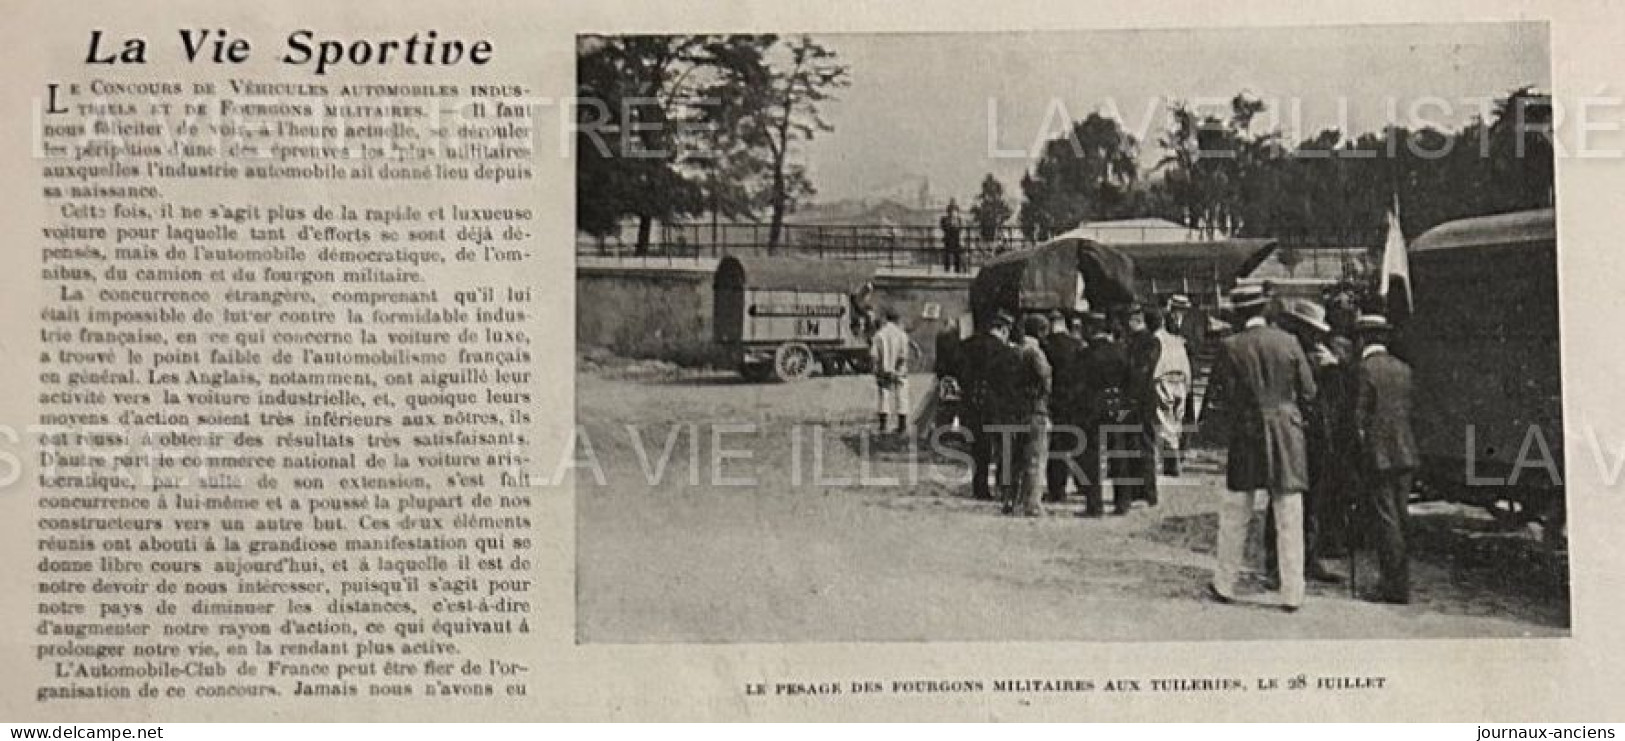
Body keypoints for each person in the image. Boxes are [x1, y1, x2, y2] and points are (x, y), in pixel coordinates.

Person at [1206, 284, 1317, 612]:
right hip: (1286, 433)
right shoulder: (1290, 342)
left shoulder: (1230, 346)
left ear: (1238, 314)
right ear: (1265, 311)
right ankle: (1292, 592)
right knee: (1289, 513)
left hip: (1247, 432)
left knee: (1235, 512)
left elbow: (1218, 396)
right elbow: (1308, 392)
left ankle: (1225, 583)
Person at [1269, 299, 1348, 585]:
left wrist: (1335, 370)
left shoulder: (1324, 358)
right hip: (1292, 435)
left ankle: (1308, 557)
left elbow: (1334, 402)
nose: (1315, 336)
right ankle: (1277, 562)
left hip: (1317, 439)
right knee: (1285, 496)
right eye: (1310, 331)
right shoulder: (1287, 354)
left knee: (1315, 500)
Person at [1353, 314, 1419, 604]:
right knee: (1401, 516)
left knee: (1386, 519)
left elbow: (1359, 418)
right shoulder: (1403, 369)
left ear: (1363, 339)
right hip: (1406, 452)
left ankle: (1393, 588)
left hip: (1379, 456)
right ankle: (1399, 581)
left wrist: (1358, 452)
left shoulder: (1364, 369)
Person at [957, 312, 1018, 501]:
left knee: (979, 447)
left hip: (973, 401)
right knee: (1003, 446)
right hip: (997, 403)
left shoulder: (967, 345)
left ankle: (980, 487)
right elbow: (1008, 379)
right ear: (1003, 329)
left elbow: (959, 372)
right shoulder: (1005, 351)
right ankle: (1004, 487)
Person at [1077, 312, 1131, 517]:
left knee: (1091, 455)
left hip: (1091, 407)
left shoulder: (1085, 354)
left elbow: (1079, 384)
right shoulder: (1120, 352)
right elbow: (1129, 380)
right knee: (1118, 452)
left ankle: (1094, 504)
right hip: (1116, 405)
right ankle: (1122, 501)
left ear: (1091, 330)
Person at [1006, 314, 1053, 516]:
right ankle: (1032, 504)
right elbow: (1045, 379)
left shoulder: (1012, 351)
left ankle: (1011, 500)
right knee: (1035, 458)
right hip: (1035, 410)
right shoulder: (1036, 353)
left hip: (1015, 410)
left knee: (1014, 459)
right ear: (1041, 331)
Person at [1042, 310, 1088, 503]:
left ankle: (1056, 489)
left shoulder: (1045, 345)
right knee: (1079, 443)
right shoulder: (1078, 346)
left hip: (1055, 399)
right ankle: (1084, 485)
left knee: (1057, 446)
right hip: (1077, 400)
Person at [1121, 307, 1161, 507]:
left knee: (1142, 445)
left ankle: (1147, 492)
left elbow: (1142, 371)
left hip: (1140, 399)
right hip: (1138, 399)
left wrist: (1131, 398)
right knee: (1135, 444)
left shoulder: (1148, 341)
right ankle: (1139, 491)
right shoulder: (1139, 340)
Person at [1147, 307, 1192, 477]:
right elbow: (1185, 362)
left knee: (1165, 420)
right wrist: (1187, 384)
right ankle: (1172, 459)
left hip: (1164, 379)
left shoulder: (1155, 340)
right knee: (1176, 421)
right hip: (1180, 379)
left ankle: (1171, 461)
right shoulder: (1178, 341)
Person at [870, 307, 912, 435]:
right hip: (899, 370)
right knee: (902, 396)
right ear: (897, 319)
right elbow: (904, 355)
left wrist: (877, 368)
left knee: (884, 395)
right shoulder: (902, 335)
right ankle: (902, 426)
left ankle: (883, 425)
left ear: (886, 318)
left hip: (884, 370)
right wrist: (899, 368)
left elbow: (873, 355)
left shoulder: (879, 335)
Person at [940, 200, 965, 274]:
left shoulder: (959, 219)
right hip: (948, 238)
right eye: (951, 211)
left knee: (957, 254)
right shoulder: (944, 219)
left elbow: (961, 228)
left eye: (954, 210)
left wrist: (955, 226)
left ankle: (957, 269)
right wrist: (950, 226)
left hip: (956, 239)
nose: (952, 212)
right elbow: (943, 227)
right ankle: (947, 269)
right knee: (947, 254)